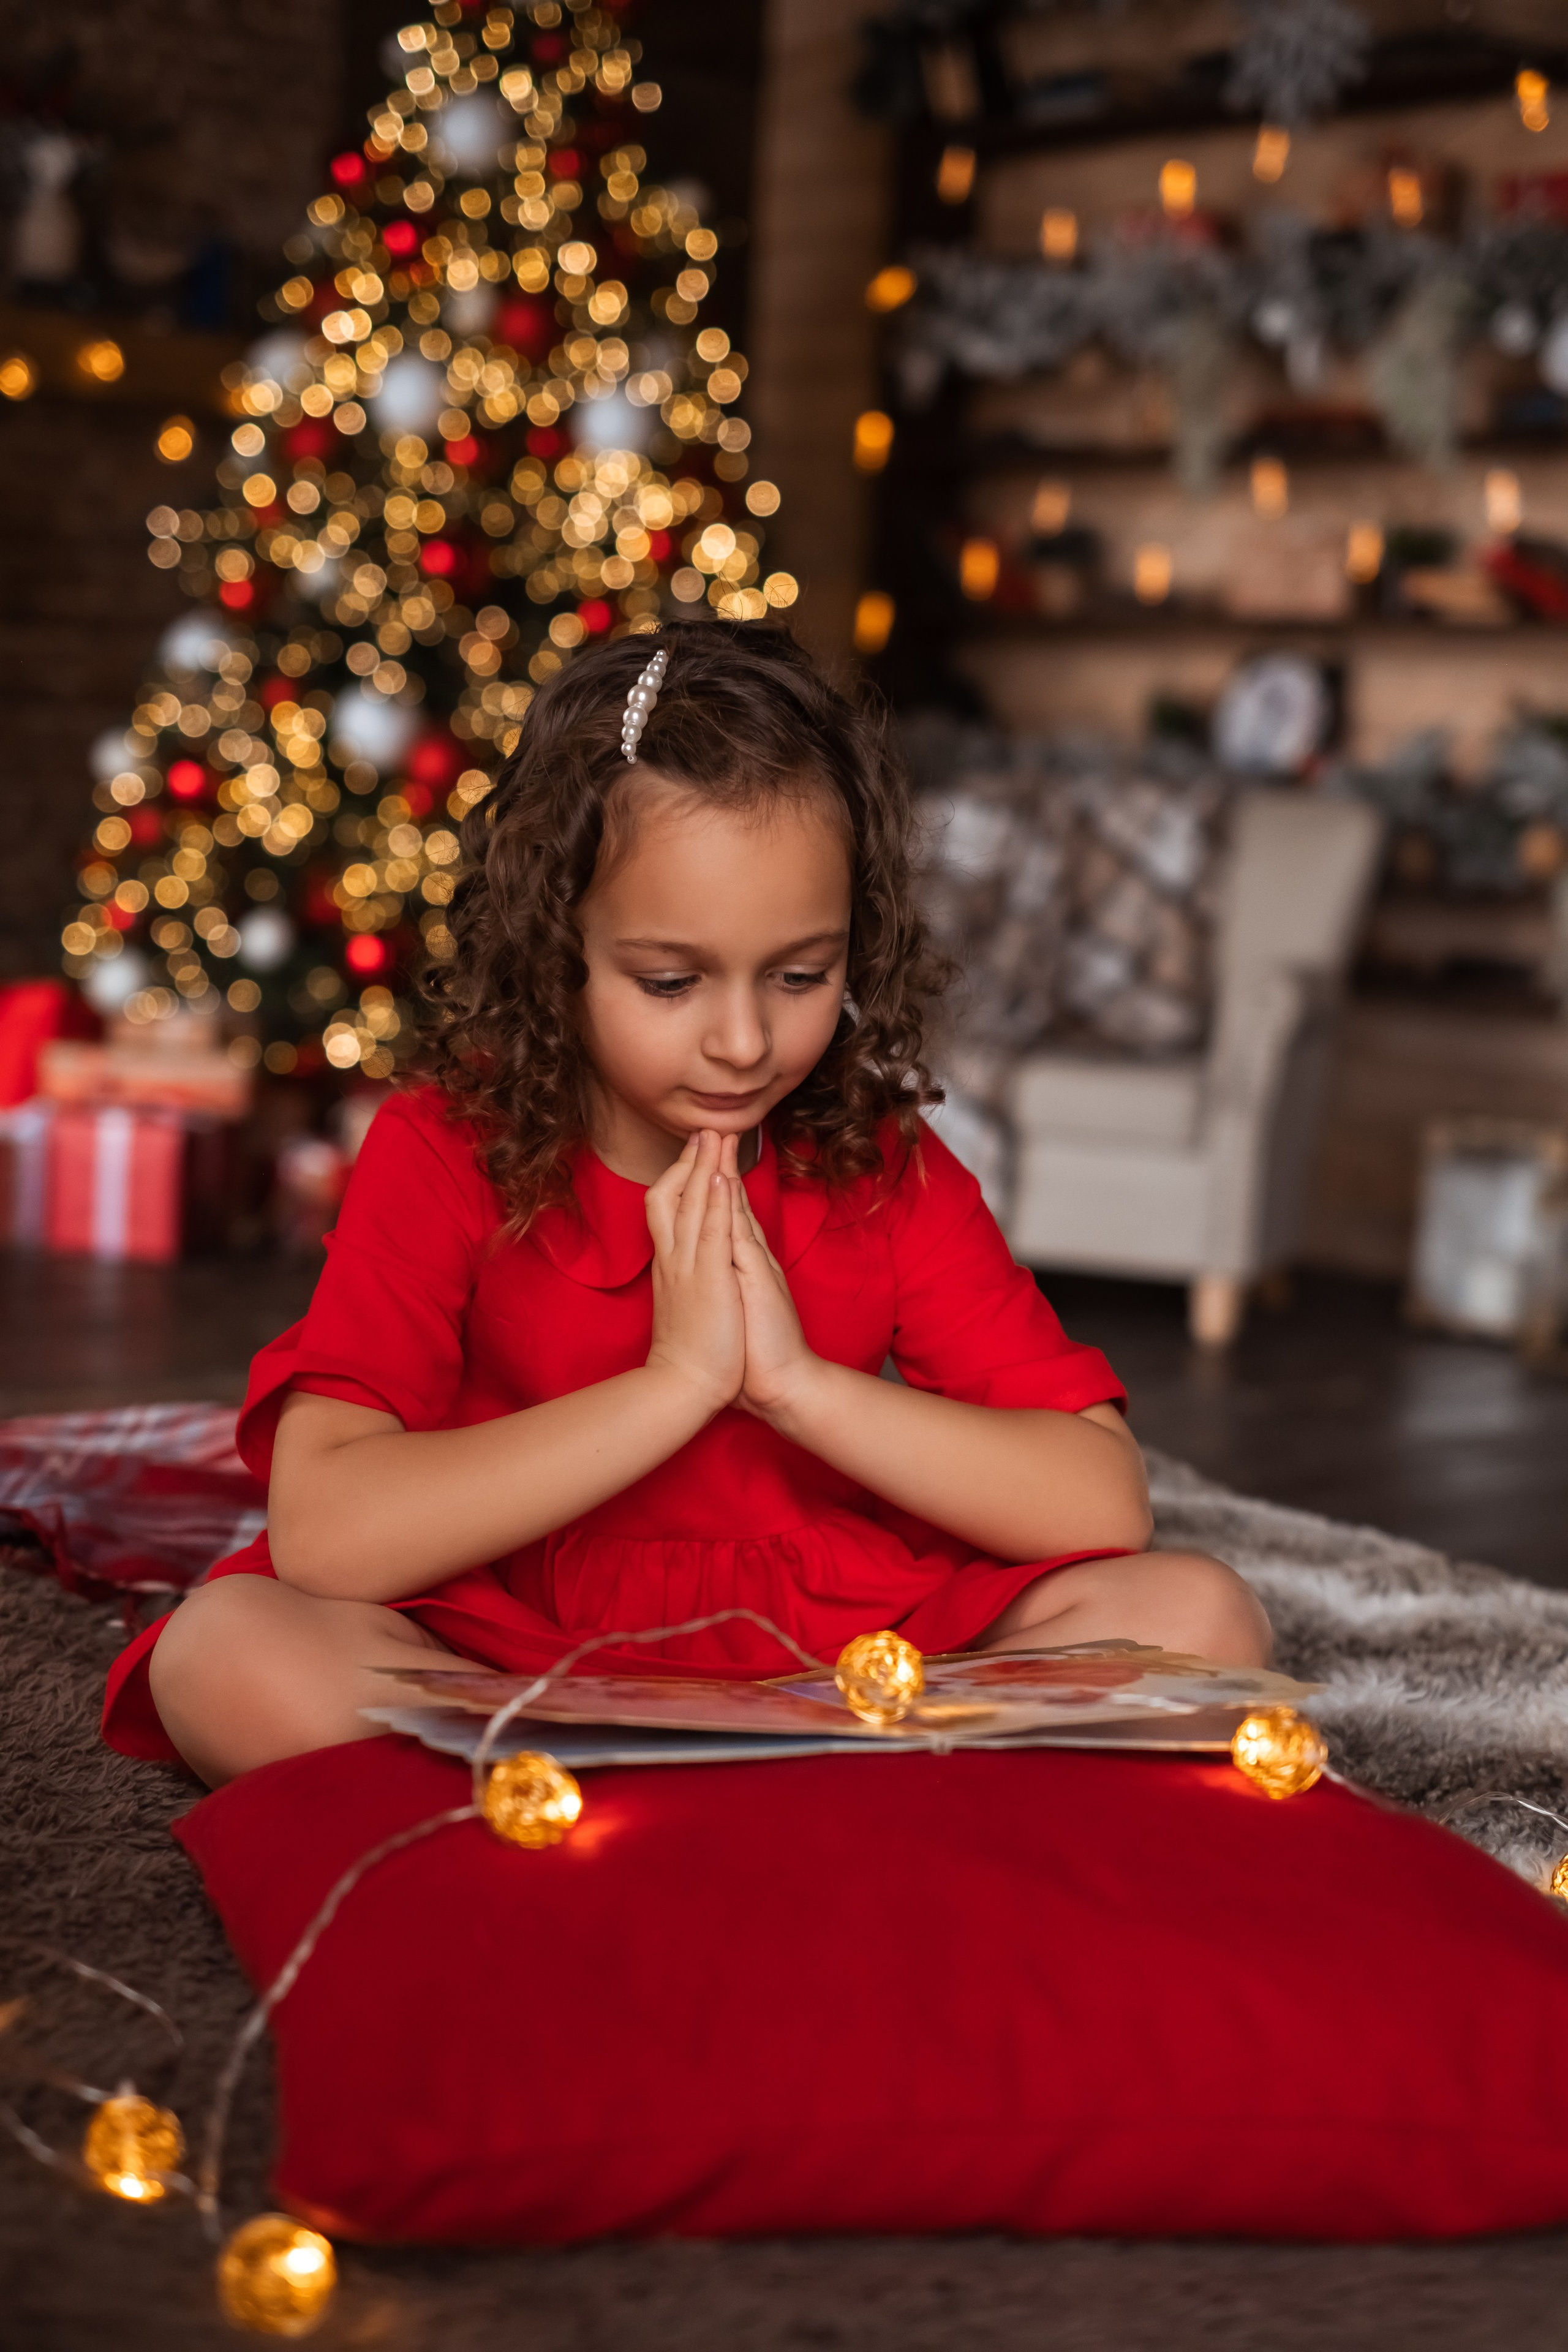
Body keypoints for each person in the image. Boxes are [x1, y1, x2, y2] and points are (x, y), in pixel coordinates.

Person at [104, 620, 1268, 1786]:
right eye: (671, 982)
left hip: (843, 1653)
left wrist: (795, 1386)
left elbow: (1101, 1502)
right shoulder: (444, 1149)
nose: (746, 1041)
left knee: (1202, 1617)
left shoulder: (882, 1163)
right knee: (229, 1652)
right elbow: (325, 1531)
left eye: (802, 976)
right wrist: (679, 1383)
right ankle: (759, 1801)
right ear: (557, 950)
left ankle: (646, 1805)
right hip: (515, 1653)